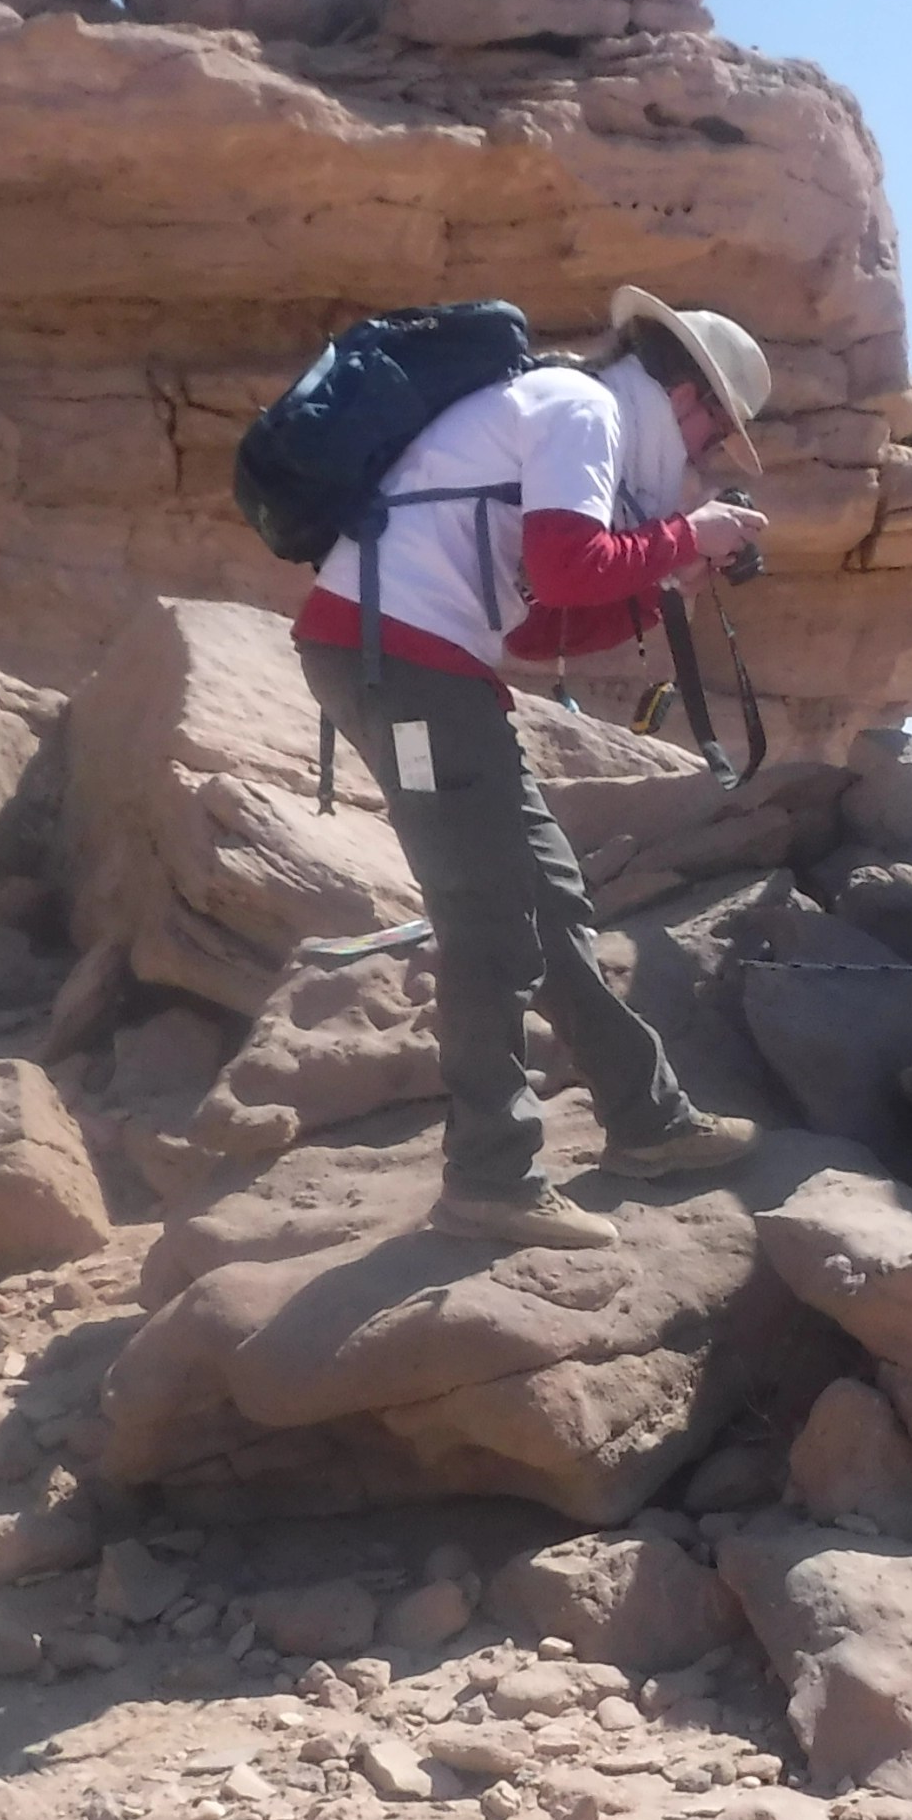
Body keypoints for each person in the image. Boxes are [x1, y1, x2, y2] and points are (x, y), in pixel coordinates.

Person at [291, 287, 770, 1250]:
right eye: (716, 437)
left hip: (425, 661)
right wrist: (691, 535)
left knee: (546, 897)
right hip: (402, 663)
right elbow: (564, 567)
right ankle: (489, 1178)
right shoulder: (582, 408)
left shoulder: (569, 413)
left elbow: (541, 623)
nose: (703, 459)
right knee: (490, 920)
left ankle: (647, 1120)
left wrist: (666, 580)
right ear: (690, 399)